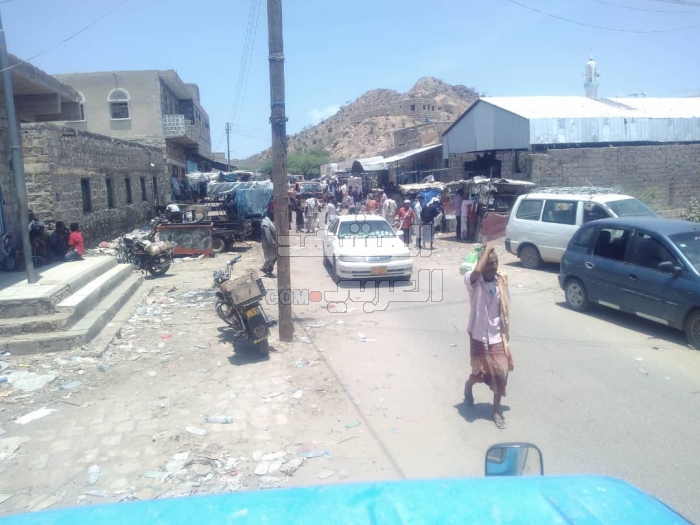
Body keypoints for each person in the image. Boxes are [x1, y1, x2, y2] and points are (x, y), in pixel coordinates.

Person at [464, 244, 513, 430]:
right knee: (478, 373)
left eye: (496, 262)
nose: (494, 266)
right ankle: (469, 385)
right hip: (478, 333)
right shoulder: (473, 281)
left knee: (501, 371)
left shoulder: (501, 281)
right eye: (489, 263)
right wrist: (486, 250)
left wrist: (505, 331)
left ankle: (496, 411)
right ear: (482, 263)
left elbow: (505, 308)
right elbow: (477, 271)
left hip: (496, 335)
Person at [260, 211, 277, 276]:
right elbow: (268, 236)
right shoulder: (265, 224)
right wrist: (273, 244)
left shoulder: (269, 222)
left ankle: (266, 269)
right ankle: (266, 269)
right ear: (270, 216)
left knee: (273, 257)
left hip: (270, 244)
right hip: (268, 244)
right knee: (270, 258)